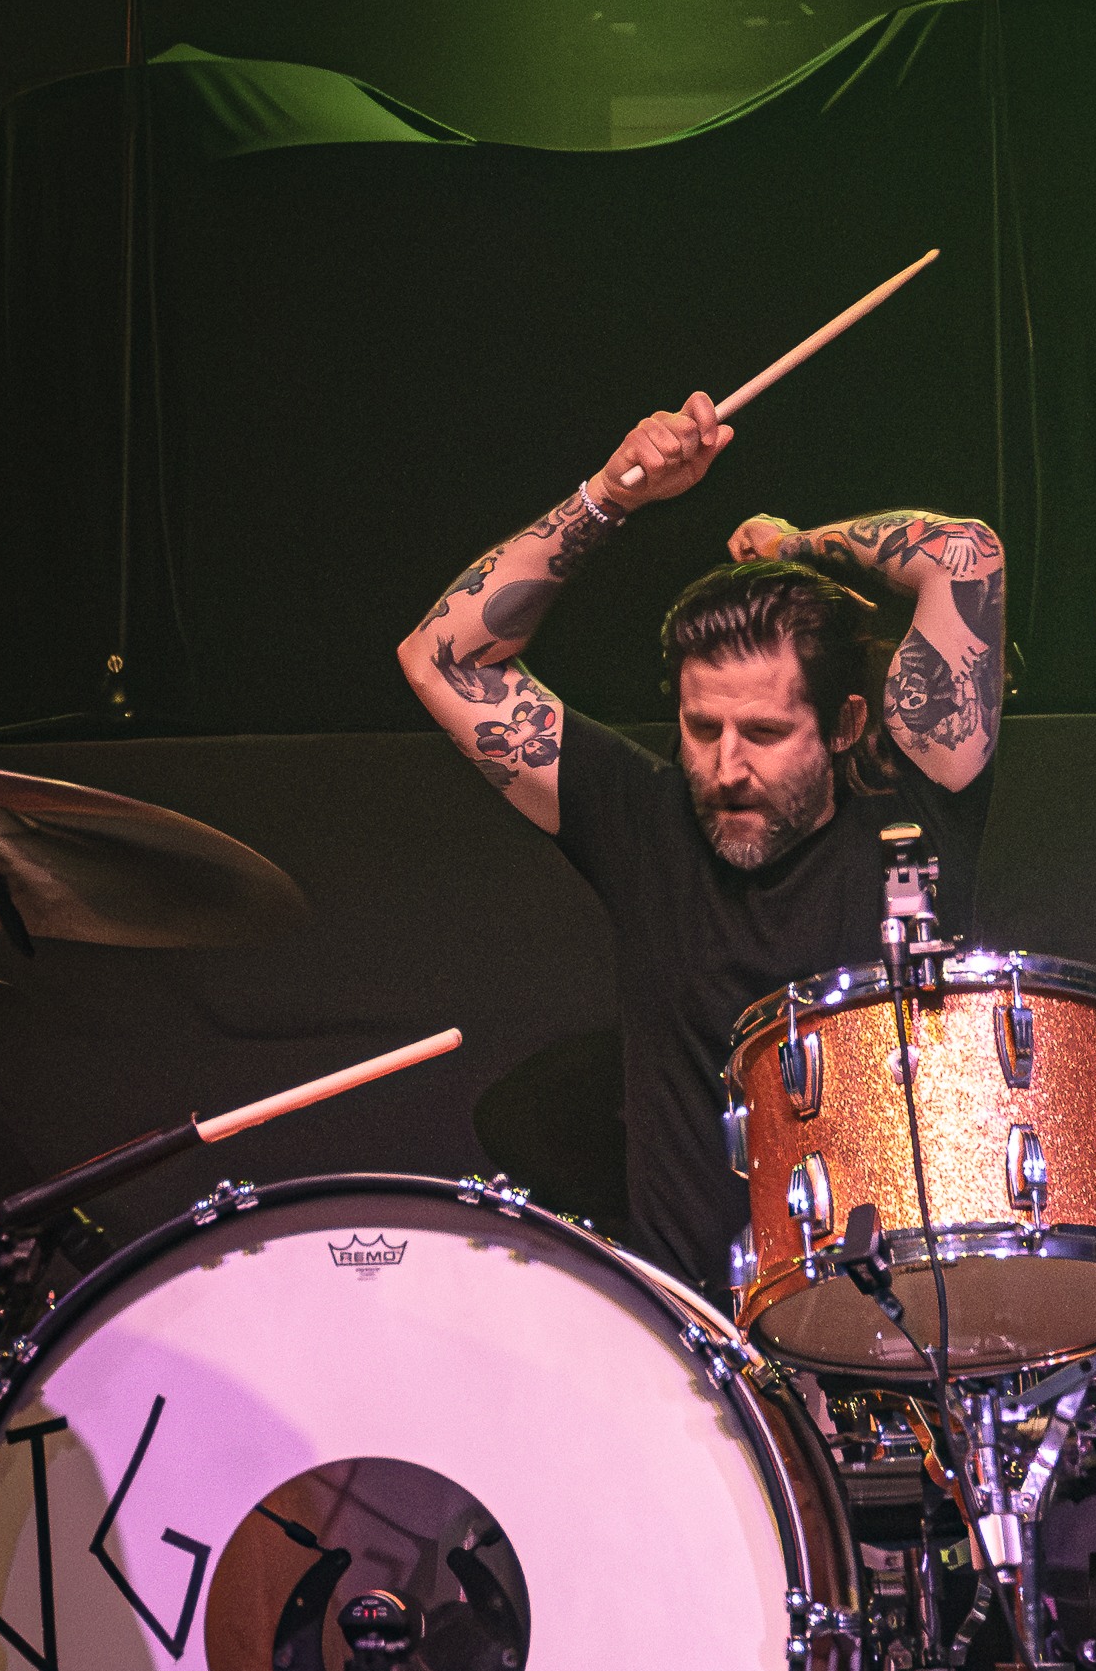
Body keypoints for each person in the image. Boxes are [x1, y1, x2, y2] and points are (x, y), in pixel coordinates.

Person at [399, 392, 1004, 1299]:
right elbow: (440, 656)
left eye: (765, 732)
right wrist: (611, 495)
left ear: (845, 725)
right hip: (696, 1344)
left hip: (904, 1326)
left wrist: (798, 546)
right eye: (701, 727)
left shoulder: (919, 798)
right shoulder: (645, 820)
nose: (726, 767)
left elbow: (965, 553)